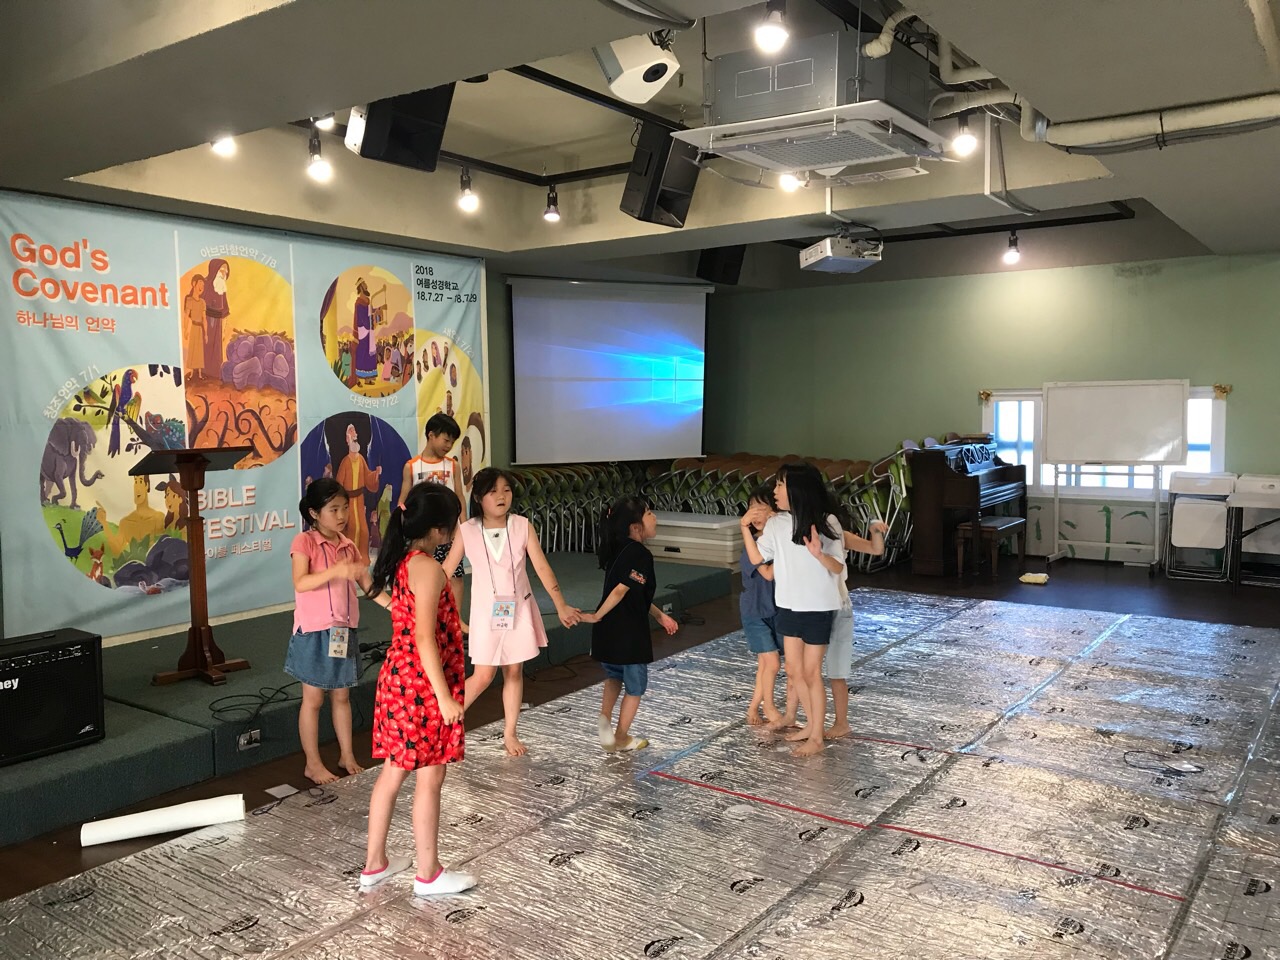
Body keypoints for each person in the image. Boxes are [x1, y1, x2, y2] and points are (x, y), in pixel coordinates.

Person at [361, 482, 476, 897]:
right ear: (440, 529)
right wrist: (444, 696)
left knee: (394, 771)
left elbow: (404, 614)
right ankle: (428, 873)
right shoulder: (426, 568)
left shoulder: (406, 560)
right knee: (430, 774)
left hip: (401, 678)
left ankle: (374, 864)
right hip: (421, 684)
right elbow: (424, 636)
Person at [438, 468, 582, 756]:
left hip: (518, 608)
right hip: (485, 614)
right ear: (479, 498)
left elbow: (541, 566)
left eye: (506, 490)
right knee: (483, 676)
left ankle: (510, 732)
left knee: (514, 670)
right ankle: (442, 724)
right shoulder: (467, 530)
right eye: (493, 491)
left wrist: (560, 604)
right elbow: (445, 571)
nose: (501, 496)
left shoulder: (522, 525)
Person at [741, 462, 845, 757]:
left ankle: (817, 737)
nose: (774, 491)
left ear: (796, 490)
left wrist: (818, 554)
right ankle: (811, 726)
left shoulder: (827, 522)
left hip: (818, 607)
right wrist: (744, 528)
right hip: (787, 605)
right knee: (794, 670)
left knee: (811, 672)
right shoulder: (777, 524)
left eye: (779, 485)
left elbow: (838, 567)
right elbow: (758, 558)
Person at [289, 478, 384, 785]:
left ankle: (347, 755)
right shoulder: (303, 542)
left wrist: (398, 607)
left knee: (342, 695)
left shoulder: (349, 545)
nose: (342, 515)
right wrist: (336, 571)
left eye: (345, 508)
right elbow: (300, 582)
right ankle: (313, 764)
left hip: (343, 631)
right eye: (334, 509)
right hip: (314, 631)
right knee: (313, 699)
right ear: (314, 513)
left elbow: (369, 587)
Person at [581, 497, 678, 752]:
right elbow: (621, 591)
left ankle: (605, 718)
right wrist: (596, 615)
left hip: (608, 632)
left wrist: (659, 615)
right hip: (628, 634)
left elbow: (635, 594)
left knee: (615, 675)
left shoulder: (618, 549)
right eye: (649, 513)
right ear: (635, 527)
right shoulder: (640, 554)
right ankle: (621, 737)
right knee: (635, 687)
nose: (654, 517)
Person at [822, 519, 889, 738]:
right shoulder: (793, 530)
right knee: (803, 670)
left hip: (838, 607)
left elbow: (875, 549)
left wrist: (875, 530)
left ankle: (841, 722)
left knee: (836, 672)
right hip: (811, 608)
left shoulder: (837, 533)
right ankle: (808, 721)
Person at [738, 483, 797, 727]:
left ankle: (753, 707)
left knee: (766, 664)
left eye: (762, 508)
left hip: (777, 609)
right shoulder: (752, 545)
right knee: (771, 662)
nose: (757, 514)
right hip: (755, 611)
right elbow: (767, 573)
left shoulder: (779, 539)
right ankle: (768, 706)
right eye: (752, 508)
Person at [401, 413, 466, 622]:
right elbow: (404, 499)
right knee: (425, 576)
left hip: (449, 532)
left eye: (452, 442)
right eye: (446, 440)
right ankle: (426, 620)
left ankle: (456, 619)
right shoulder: (412, 466)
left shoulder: (452, 465)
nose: (449, 445)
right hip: (423, 535)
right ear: (431, 435)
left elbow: (459, 496)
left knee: (455, 575)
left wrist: (464, 526)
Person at [335, 422, 382, 564]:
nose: (355, 436)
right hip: (348, 502)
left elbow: (368, 477)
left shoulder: (361, 459)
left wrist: (376, 474)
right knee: (351, 529)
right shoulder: (345, 462)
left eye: (355, 433)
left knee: (363, 530)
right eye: (351, 434)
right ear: (347, 439)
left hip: (360, 501)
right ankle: (349, 559)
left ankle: (362, 558)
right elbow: (338, 483)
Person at [183, 275, 207, 380]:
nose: (201, 287)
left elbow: (204, 319)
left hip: (200, 329)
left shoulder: (202, 302)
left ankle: (200, 374)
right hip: (193, 327)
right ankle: (192, 373)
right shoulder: (189, 300)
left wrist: (206, 333)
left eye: (203, 285)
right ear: (194, 284)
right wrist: (185, 330)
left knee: (199, 351)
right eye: (200, 284)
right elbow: (186, 317)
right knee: (193, 349)